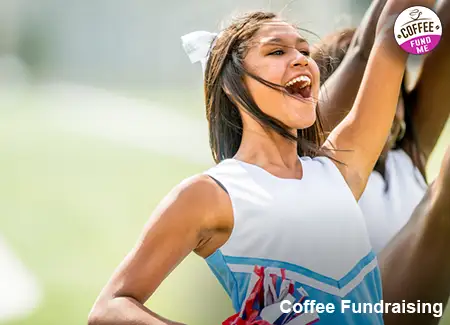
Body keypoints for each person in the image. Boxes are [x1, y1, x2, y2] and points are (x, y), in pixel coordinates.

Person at [88, 1, 428, 323]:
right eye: (277, 51)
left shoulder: (338, 171)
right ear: (233, 85)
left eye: (305, 51)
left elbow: (392, 32)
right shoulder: (210, 195)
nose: (301, 59)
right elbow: (110, 307)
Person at [311, 1, 450, 324]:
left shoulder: (408, 159)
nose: (387, 105)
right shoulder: (321, 160)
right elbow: (369, 47)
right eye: (372, 93)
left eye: (394, 92)